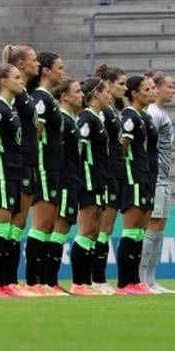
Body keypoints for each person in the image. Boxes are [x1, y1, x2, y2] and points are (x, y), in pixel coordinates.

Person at [0, 63, 27, 297]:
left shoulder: (11, 110)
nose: (22, 81)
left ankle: (7, 283)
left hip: (12, 175)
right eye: (17, 77)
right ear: (4, 82)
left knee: (10, 232)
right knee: (0, 231)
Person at [25, 52, 67, 296]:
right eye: (60, 67)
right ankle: (34, 282)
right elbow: (35, 133)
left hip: (53, 168)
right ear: (46, 71)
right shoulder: (40, 98)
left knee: (49, 225)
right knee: (41, 225)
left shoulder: (48, 98)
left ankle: (45, 282)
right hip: (42, 167)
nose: (63, 71)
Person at [71, 76, 112, 296]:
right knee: (86, 230)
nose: (109, 95)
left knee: (93, 233)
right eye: (106, 91)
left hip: (97, 180)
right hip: (87, 181)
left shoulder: (97, 118)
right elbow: (79, 147)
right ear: (96, 94)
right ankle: (79, 284)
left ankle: (85, 283)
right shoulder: (86, 119)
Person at [3, 45, 38, 293]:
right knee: (13, 223)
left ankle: (11, 281)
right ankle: (6, 281)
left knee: (19, 224)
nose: (37, 63)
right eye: (34, 60)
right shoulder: (14, 94)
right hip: (17, 163)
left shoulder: (25, 93)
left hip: (28, 162)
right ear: (22, 65)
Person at [116, 75, 156, 294]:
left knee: (140, 232)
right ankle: (124, 283)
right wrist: (126, 174)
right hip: (134, 177)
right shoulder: (130, 117)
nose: (151, 92)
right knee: (131, 231)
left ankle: (135, 281)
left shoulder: (143, 117)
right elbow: (122, 148)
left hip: (145, 176)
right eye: (146, 89)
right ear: (134, 94)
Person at [92, 64, 128, 293]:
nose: (124, 88)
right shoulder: (103, 113)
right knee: (100, 229)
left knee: (106, 229)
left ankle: (98, 278)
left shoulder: (113, 111)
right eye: (120, 84)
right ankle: (96, 279)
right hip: (105, 173)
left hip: (115, 172)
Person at [140, 71, 175, 294]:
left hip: (163, 177)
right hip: (154, 178)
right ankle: (143, 279)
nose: (173, 90)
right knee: (152, 227)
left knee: (159, 228)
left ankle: (151, 280)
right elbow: (144, 145)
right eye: (169, 87)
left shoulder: (161, 112)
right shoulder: (153, 113)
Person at [53, 78, 85, 294]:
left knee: (61, 232)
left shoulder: (72, 120)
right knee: (58, 230)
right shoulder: (62, 120)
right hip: (64, 181)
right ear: (64, 96)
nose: (82, 95)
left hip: (72, 181)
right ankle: (48, 281)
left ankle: (48, 282)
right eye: (77, 91)